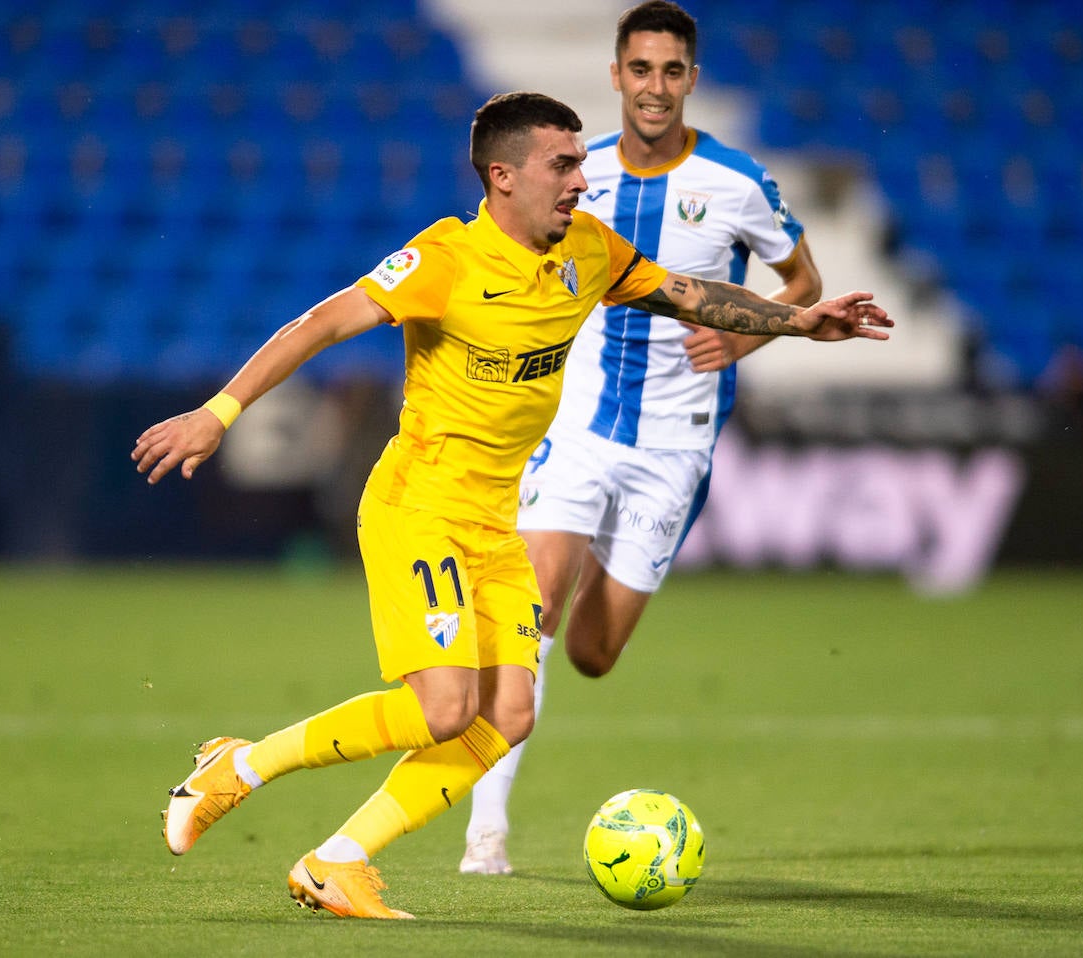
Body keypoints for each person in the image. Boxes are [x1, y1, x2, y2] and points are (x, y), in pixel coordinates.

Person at [132, 91, 890, 920]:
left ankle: (337, 862)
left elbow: (688, 293)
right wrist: (219, 413)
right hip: (418, 504)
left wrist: (797, 319)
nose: (580, 180)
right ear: (503, 176)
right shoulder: (445, 262)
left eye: (580, 163)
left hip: (496, 517)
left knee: (509, 715)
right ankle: (237, 768)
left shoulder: (589, 251)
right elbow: (316, 325)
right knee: (446, 709)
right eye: (562, 166)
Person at [460, 1, 824, 876]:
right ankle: (486, 833)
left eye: (672, 71)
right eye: (640, 69)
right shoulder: (575, 179)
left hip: (677, 440)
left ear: (691, 80)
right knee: (533, 611)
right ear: (616, 74)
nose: (655, 87)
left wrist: (742, 337)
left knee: (591, 654)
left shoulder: (738, 182)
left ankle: (571, 635)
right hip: (577, 425)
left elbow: (803, 282)